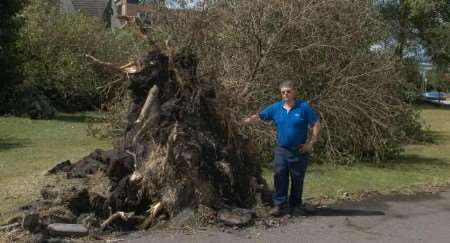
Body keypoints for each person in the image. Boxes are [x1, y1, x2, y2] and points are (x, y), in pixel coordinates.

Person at [242, 80, 320, 216]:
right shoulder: (276, 108)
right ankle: (280, 206)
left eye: (288, 92)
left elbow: (316, 124)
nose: (285, 94)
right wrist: (244, 122)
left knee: (297, 179)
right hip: (281, 150)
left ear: (294, 92)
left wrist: (310, 143)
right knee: (280, 177)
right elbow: (259, 117)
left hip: (298, 150)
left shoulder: (303, 107)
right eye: (283, 92)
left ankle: (296, 206)